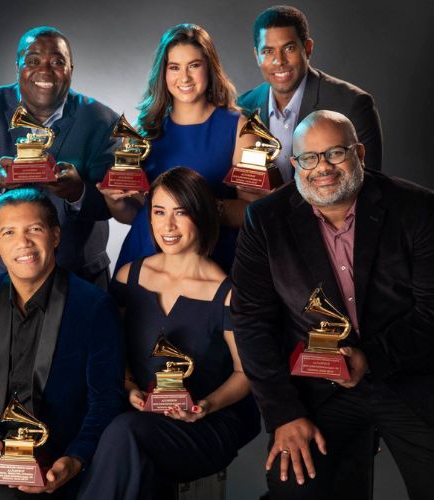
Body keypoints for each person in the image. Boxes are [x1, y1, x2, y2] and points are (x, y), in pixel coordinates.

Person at [231, 110, 434, 500]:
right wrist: (285, 413)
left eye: (335, 153)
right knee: (295, 486)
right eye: (309, 158)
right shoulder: (265, 220)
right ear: (295, 164)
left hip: (407, 376)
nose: (322, 168)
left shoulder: (418, 209)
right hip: (317, 390)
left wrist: (370, 358)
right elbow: (252, 321)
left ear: (359, 153)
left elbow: (431, 312)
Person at [79, 167, 260, 499]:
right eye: (159, 212)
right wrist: (130, 387)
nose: (168, 226)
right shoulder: (128, 277)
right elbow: (112, 352)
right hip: (140, 414)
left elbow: (244, 373)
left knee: (125, 433)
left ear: (202, 215)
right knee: (126, 444)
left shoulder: (227, 293)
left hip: (204, 424)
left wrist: (205, 405)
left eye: (181, 212)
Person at [0, 188, 124, 499]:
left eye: (34, 229)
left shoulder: (93, 306)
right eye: (9, 232)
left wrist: (75, 459)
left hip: (55, 454)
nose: (23, 242)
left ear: (55, 235)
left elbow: (105, 401)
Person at [0, 26, 119, 321]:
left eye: (57, 62)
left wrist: (79, 192)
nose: (44, 70)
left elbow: (115, 203)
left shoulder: (102, 120)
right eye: (33, 61)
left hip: (75, 276)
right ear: (18, 65)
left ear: (71, 69)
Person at [102, 23, 259, 274]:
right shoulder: (143, 131)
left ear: (210, 67)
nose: (184, 78)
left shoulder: (242, 129)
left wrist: (200, 207)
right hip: (145, 256)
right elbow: (135, 215)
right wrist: (115, 201)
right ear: (163, 73)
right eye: (174, 67)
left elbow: (253, 211)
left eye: (194, 65)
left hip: (212, 262)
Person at [238, 5, 382, 182]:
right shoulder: (243, 107)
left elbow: (370, 183)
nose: (279, 61)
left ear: (307, 48)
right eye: (268, 51)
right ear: (257, 56)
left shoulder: (353, 104)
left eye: (289, 48)